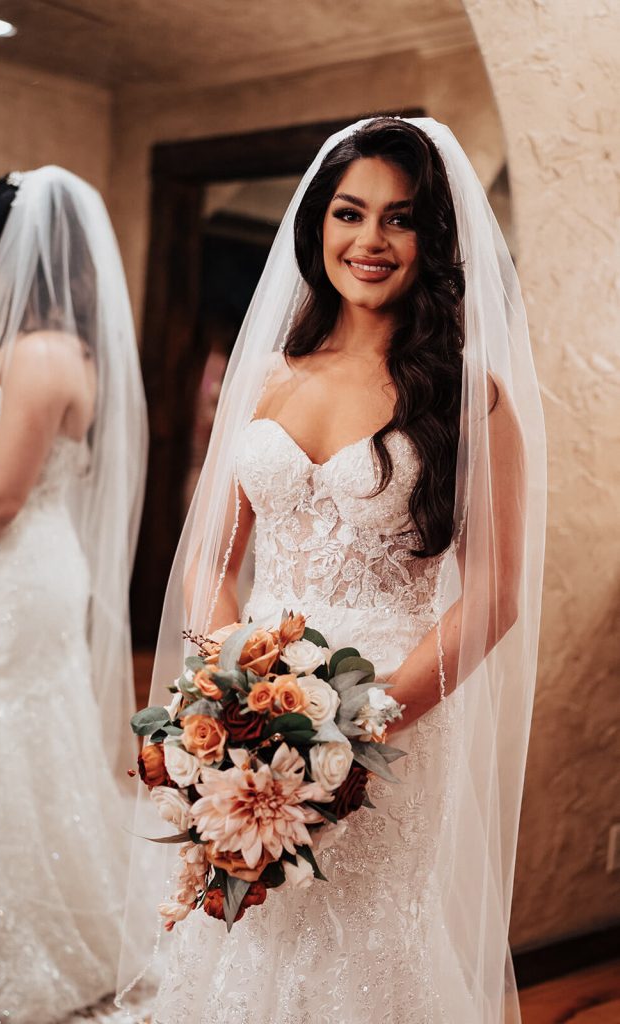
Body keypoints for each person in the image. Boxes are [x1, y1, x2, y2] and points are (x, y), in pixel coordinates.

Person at [118, 118, 546, 1024]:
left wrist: (365, 719)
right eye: (350, 213)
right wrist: (221, 677)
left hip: (394, 714)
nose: (370, 241)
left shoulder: (471, 392)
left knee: (356, 940)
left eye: (400, 219)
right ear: (317, 224)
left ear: (434, 238)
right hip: (245, 701)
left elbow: (499, 588)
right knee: (243, 926)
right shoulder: (269, 373)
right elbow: (211, 556)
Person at [0, 166, 148, 1023]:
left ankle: (14, 945)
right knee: (12, 732)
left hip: (18, 566)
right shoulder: (61, 347)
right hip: (18, 563)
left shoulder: (39, 355)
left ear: (11, 246)